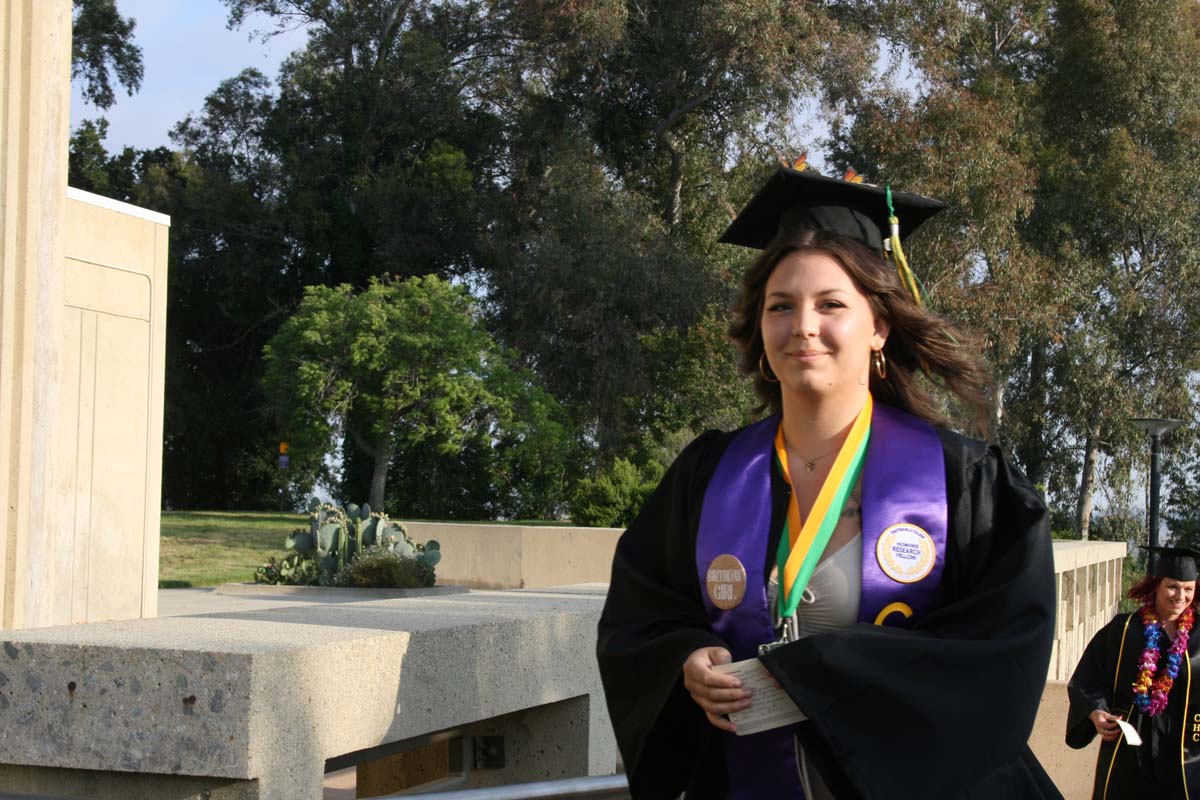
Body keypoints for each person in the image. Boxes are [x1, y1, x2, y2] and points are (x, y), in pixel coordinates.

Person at [596, 164, 1062, 799]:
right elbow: (641, 613)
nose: (803, 326)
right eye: (780, 306)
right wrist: (686, 657)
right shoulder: (708, 476)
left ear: (879, 327)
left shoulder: (965, 482)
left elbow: (1001, 656)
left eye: (831, 304)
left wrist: (816, 672)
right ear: (760, 330)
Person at [1066, 546, 1200, 798]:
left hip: (1185, 757)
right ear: (1156, 585)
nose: (1181, 596)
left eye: (1189, 589)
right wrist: (1095, 711)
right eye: (1172, 586)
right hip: (1129, 752)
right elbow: (1088, 678)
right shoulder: (1125, 629)